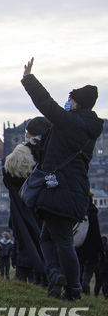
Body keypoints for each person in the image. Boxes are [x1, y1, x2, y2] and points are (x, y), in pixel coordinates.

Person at [22, 58, 103, 300]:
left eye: (71, 100)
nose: (67, 103)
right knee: (48, 237)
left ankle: (72, 289)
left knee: (62, 242)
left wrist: (28, 79)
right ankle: (57, 276)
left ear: (78, 104)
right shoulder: (90, 129)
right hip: (76, 189)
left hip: (59, 190)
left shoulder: (70, 123)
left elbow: (46, 104)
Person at [2, 117, 51, 285]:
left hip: (22, 210)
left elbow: (8, 180)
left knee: (25, 246)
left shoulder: (19, 156)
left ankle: (26, 280)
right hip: (47, 209)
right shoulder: (51, 153)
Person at [76, 193, 105, 295]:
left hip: (77, 249)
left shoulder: (77, 212)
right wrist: (101, 253)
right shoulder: (92, 214)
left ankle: (78, 294)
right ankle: (86, 295)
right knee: (86, 278)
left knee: (78, 276)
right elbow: (97, 235)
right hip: (91, 252)